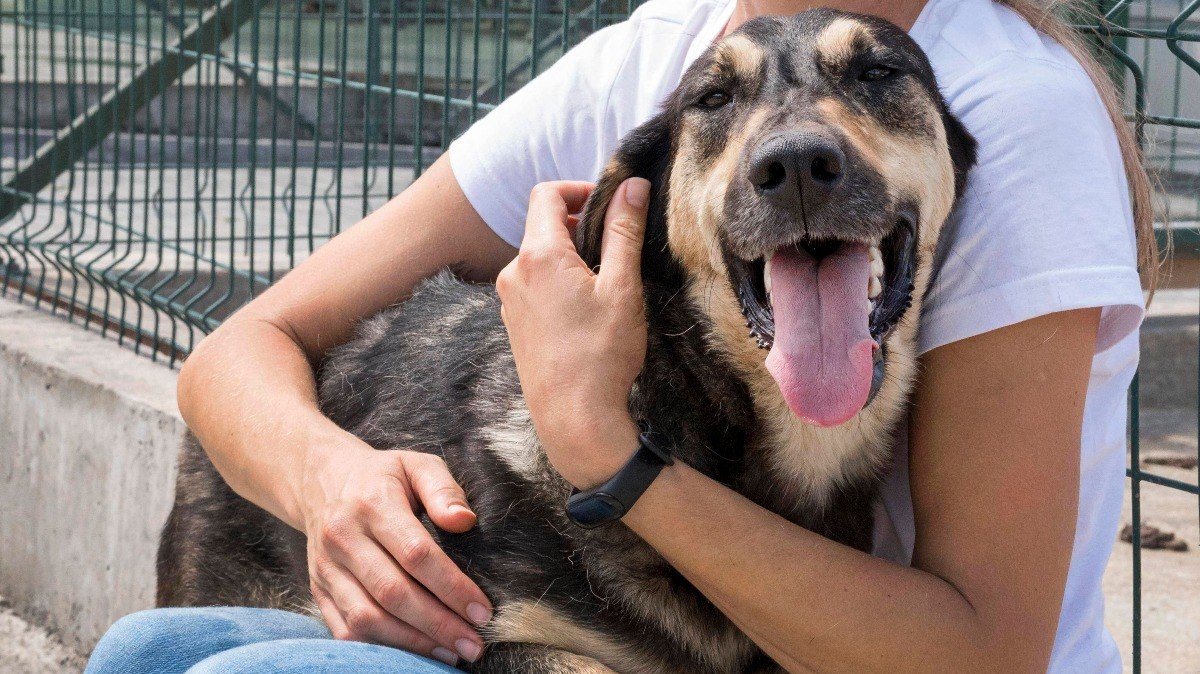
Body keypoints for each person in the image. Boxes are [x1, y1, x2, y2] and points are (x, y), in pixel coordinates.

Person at [85, 0, 1157, 671]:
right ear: (635, 212)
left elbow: (980, 656)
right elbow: (238, 349)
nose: (794, 149)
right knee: (145, 652)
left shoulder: (1017, 110)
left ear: (954, 165)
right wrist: (332, 484)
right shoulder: (651, 57)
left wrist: (605, 448)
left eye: (869, 80)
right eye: (726, 114)